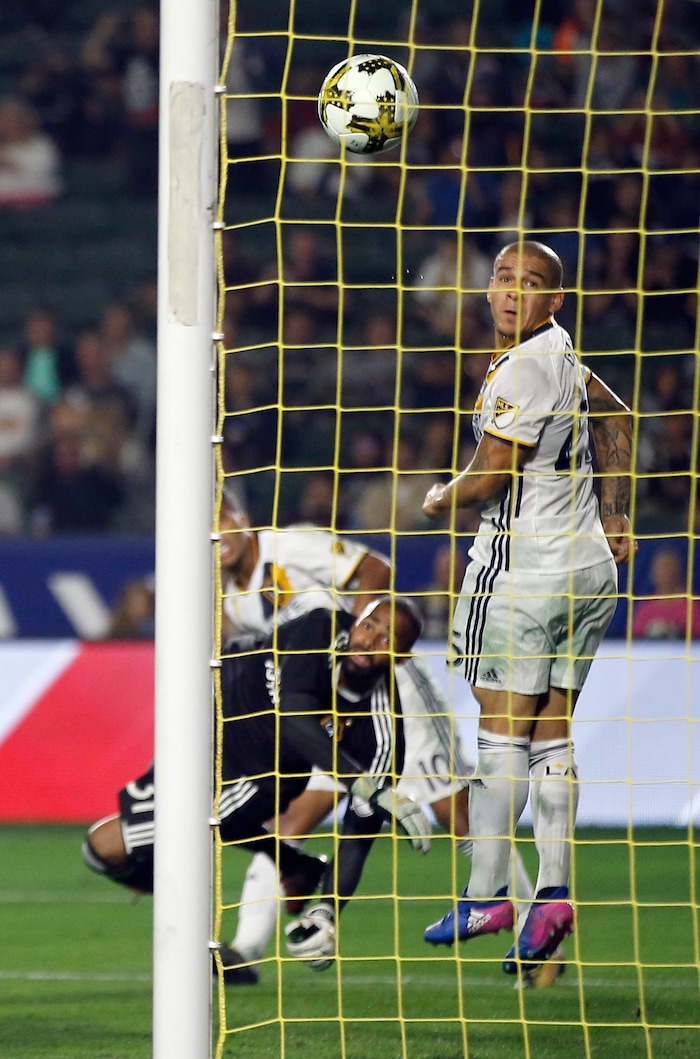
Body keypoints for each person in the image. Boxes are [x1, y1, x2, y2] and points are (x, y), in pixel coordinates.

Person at [421, 240, 634, 986]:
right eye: (505, 278)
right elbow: (616, 416)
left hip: (523, 574)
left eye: (531, 283)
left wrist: (440, 496)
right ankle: (552, 896)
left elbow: (493, 473)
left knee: (499, 731)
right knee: (551, 733)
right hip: (589, 574)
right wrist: (616, 518)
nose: (513, 292)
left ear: (555, 298)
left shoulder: (522, 366)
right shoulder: (562, 353)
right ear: (488, 288)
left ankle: (486, 898)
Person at [215, 490, 535, 984]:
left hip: (386, 687)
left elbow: (375, 567)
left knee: (455, 810)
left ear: (242, 518)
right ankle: (245, 951)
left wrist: (364, 638)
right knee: (292, 816)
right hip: (323, 703)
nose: (218, 538)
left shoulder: (288, 546)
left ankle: (535, 926)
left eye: (223, 522)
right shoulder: (234, 594)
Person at [83, 598, 432, 975]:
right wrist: (366, 786)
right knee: (120, 850)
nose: (371, 640)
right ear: (355, 623)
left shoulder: (381, 734)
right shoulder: (321, 628)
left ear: (402, 658)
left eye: (388, 638)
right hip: (201, 724)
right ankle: (292, 865)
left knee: (103, 847)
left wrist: (326, 912)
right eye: (370, 625)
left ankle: (207, 943)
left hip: (246, 774)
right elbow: (295, 711)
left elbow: (358, 836)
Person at [633, 547, 700, 640]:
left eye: (669, 567)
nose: (666, 573)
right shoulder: (645, 608)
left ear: (678, 571)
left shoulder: (692, 607)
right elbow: (636, 639)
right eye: (661, 568)